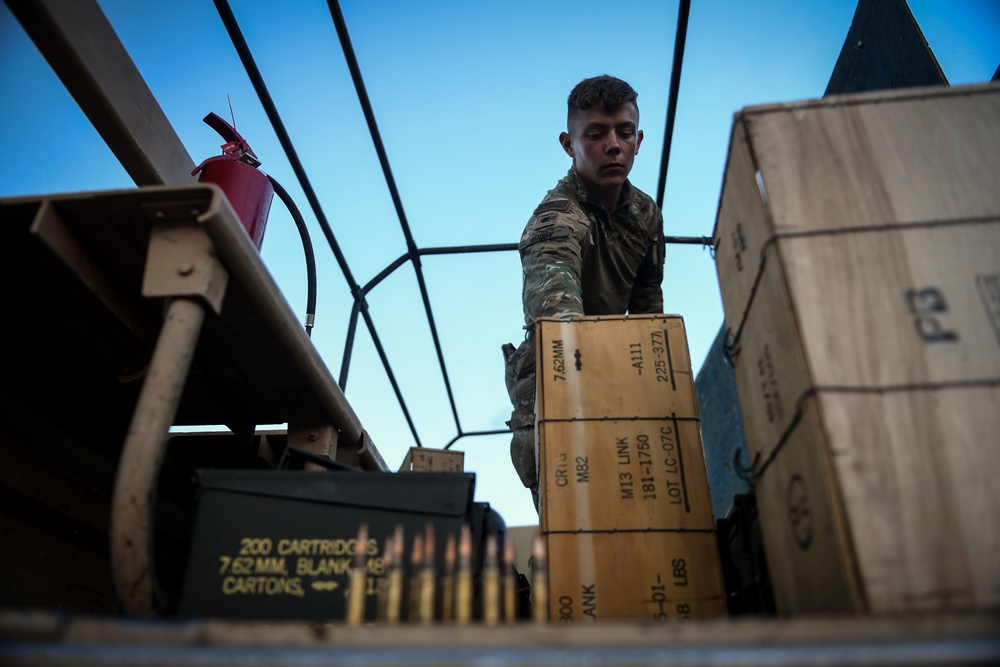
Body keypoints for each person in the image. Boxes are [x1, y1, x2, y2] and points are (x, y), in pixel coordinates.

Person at [503, 75, 665, 509]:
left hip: (617, 363)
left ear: (638, 139)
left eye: (624, 132)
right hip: (555, 374)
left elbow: (650, 312)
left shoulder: (645, 214)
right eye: (595, 134)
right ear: (569, 143)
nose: (613, 145)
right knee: (574, 506)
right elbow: (559, 323)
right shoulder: (556, 220)